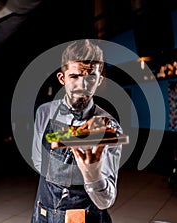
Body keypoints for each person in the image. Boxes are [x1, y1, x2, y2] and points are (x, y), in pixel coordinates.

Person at [31, 39, 123, 223]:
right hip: (43, 212)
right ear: (62, 78)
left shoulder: (109, 128)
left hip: (84, 217)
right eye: (74, 76)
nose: (82, 85)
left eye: (90, 77)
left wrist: (92, 174)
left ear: (99, 80)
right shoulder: (44, 113)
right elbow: (37, 160)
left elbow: (106, 201)